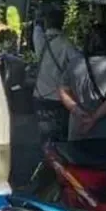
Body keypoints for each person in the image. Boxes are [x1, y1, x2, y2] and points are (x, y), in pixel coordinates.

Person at [60, 24, 106, 141]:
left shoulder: (73, 64)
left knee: (75, 157)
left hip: (77, 126)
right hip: (105, 130)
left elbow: (63, 91)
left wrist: (77, 111)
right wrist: (93, 119)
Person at [33, 8, 78, 143]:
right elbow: (78, 64)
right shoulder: (67, 44)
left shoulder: (39, 38)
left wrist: (38, 18)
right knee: (59, 136)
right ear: (62, 22)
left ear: (47, 22)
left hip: (40, 96)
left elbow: (37, 27)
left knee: (44, 135)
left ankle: (44, 159)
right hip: (59, 99)